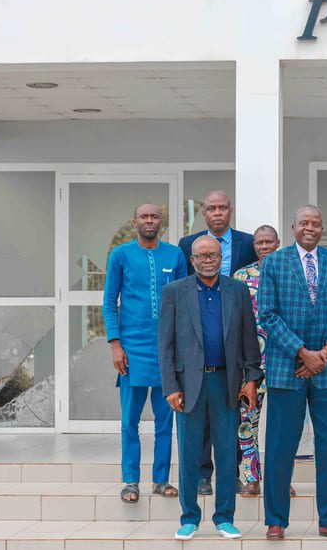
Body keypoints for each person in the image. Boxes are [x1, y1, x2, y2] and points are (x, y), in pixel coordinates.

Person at [258, 205, 327, 541]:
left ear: (322, 227)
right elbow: (268, 316)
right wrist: (303, 352)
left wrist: (325, 353)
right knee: (280, 447)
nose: (310, 227)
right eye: (305, 223)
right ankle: (275, 519)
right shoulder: (274, 263)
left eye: (316, 222)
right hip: (287, 368)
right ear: (293, 227)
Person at [157, 236, 262, 540]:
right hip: (188, 386)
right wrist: (170, 387)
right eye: (201, 256)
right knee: (190, 453)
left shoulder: (237, 291)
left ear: (220, 257)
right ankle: (189, 517)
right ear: (192, 260)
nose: (207, 260)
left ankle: (224, 517)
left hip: (226, 382)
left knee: (228, 453)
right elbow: (165, 345)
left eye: (213, 255)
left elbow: (248, 339)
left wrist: (251, 378)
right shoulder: (175, 292)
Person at [102, 203, 186, 504]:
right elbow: (110, 301)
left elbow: (184, 302)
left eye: (154, 217)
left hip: (167, 350)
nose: (149, 221)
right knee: (130, 421)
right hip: (132, 350)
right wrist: (115, 344)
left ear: (160, 221)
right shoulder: (120, 255)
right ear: (134, 221)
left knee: (166, 420)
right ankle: (130, 481)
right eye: (144, 216)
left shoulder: (174, 255)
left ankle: (161, 480)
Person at [177, 189, 259, 495]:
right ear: (204, 213)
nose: (217, 213)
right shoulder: (188, 244)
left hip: (235, 334)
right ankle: (202, 475)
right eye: (211, 208)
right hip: (202, 336)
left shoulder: (248, 243)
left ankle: (233, 472)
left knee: (233, 415)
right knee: (201, 418)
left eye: (223, 208)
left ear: (231, 210)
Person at [231, 225, 294, 498]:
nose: (264, 246)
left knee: (283, 426)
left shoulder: (293, 273)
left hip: (284, 361)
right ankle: (251, 478)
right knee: (247, 422)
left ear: (278, 243)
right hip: (251, 364)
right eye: (260, 242)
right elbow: (235, 322)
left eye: (269, 241)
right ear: (254, 245)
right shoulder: (241, 276)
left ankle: (280, 479)